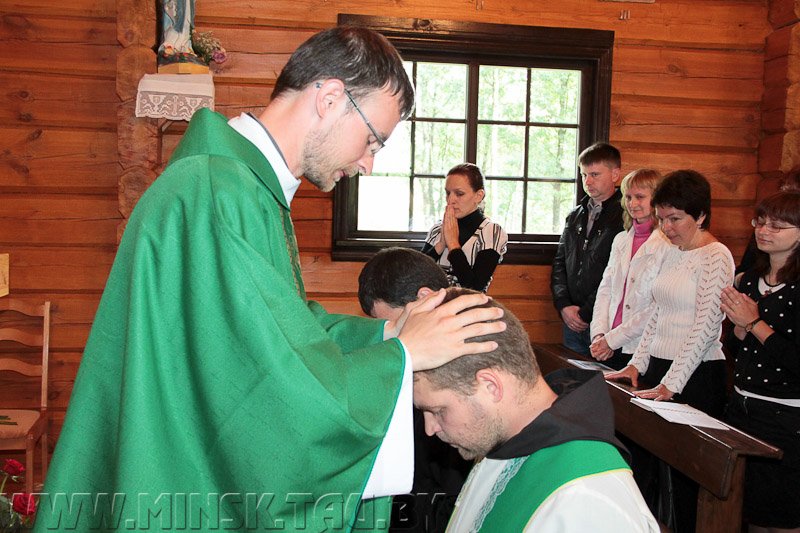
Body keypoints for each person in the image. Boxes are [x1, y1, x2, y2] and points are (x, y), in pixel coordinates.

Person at [35, 27, 508, 533]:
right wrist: (401, 357)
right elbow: (260, 386)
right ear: (330, 98)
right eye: (373, 139)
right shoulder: (219, 195)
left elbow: (281, 330)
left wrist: (389, 332)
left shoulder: (241, 188)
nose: (368, 163)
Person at [413, 288, 660, 532]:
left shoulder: (586, 499)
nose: (430, 429)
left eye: (438, 410)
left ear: (490, 386)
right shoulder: (503, 437)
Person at [606, 169, 734, 533]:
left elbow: (705, 328)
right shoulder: (674, 251)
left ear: (701, 215)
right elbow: (657, 314)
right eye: (662, 219)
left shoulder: (716, 256)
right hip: (662, 371)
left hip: (696, 376)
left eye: (675, 219)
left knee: (683, 486)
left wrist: (672, 384)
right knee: (648, 473)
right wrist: (637, 364)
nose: (667, 227)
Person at [358, 247, 472, 533]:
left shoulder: (461, 367)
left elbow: (448, 491)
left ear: (424, 298)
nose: (391, 344)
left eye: (394, 325)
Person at [720, 190, 800, 533]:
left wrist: (754, 324)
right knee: (749, 512)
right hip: (743, 407)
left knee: (782, 519)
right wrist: (739, 333)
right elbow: (740, 348)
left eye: (777, 226)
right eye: (761, 222)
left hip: (786, 418)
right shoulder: (751, 279)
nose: (764, 231)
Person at [589, 169, 670, 370]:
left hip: (643, 346)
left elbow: (656, 305)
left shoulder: (668, 244)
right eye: (628, 197)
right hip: (609, 343)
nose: (632, 204)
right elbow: (606, 289)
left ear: (657, 199)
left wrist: (613, 339)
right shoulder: (621, 239)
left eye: (640, 197)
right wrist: (599, 334)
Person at [551, 142, 625, 355]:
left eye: (595, 174)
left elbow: (616, 273)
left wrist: (586, 313)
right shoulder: (575, 215)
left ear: (615, 174)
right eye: (584, 175)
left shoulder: (625, 217)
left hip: (606, 320)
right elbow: (560, 262)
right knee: (572, 373)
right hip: (571, 318)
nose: (588, 181)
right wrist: (563, 305)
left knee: (604, 376)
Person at [421, 163, 508, 292]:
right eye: (448, 193)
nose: (450, 200)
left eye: (459, 194)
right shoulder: (437, 229)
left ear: (478, 196)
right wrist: (440, 245)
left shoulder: (491, 232)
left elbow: (475, 288)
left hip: (469, 305)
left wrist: (453, 245)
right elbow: (414, 276)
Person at [737, 166, 800, 274]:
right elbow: (747, 267)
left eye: (776, 226)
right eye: (783, 190)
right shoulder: (764, 229)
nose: (763, 231)